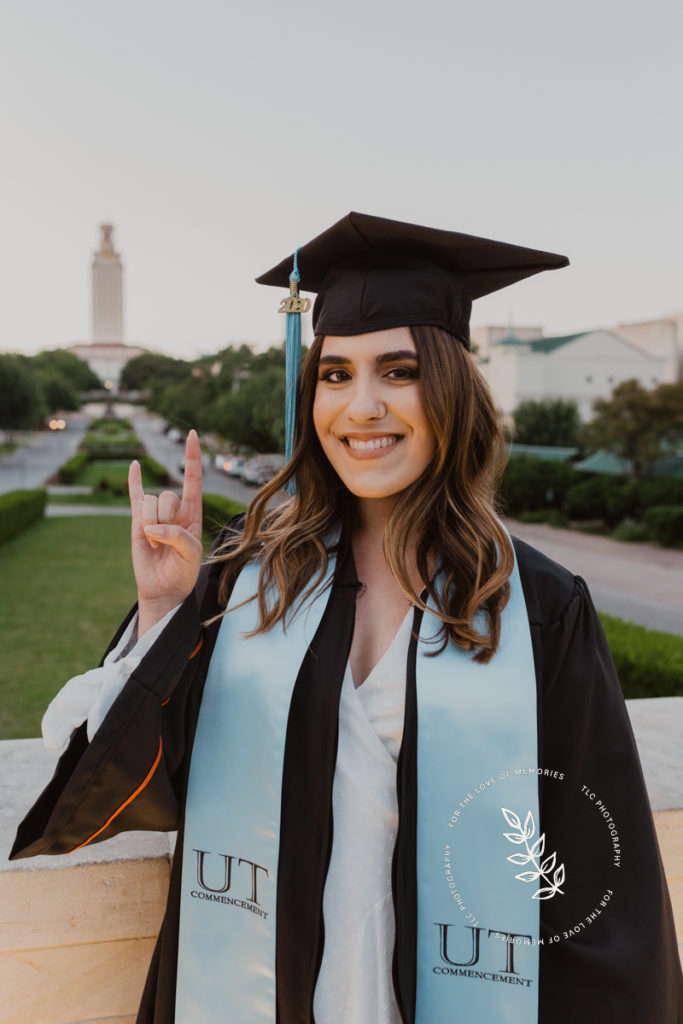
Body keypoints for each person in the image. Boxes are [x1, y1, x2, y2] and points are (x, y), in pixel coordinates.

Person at [11, 213, 683, 1024]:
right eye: (335, 375)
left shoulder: (537, 608)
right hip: (260, 989)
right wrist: (164, 615)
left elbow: (594, 881)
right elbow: (140, 784)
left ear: (452, 390)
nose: (361, 407)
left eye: (398, 371)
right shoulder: (250, 573)